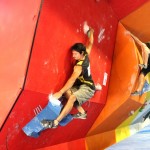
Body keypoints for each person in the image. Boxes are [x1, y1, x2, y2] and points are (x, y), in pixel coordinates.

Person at [41, 28, 96, 128]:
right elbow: (91, 43)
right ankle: (82, 113)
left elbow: (71, 80)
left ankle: (55, 122)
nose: (73, 56)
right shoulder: (86, 53)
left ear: (81, 53)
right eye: (72, 53)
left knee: (72, 97)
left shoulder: (78, 67)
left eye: (75, 54)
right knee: (68, 93)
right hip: (81, 85)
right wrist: (91, 32)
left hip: (88, 88)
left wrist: (60, 92)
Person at [128, 31, 150, 96]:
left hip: (147, 64)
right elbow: (138, 41)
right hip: (148, 66)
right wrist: (131, 34)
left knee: (144, 47)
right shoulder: (146, 47)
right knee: (141, 75)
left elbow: (140, 42)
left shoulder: (146, 47)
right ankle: (138, 90)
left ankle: (145, 64)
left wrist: (131, 34)